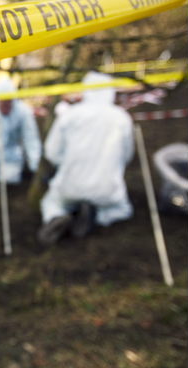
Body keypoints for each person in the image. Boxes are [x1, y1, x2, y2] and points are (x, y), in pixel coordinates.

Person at [37, 71, 135, 246]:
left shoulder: (70, 115)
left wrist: (64, 164)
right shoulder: (122, 118)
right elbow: (127, 155)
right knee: (122, 209)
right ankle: (96, 216)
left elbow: (51, 152)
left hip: (70, 185)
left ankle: (56, 216)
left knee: (51, 202)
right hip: (107, 188)